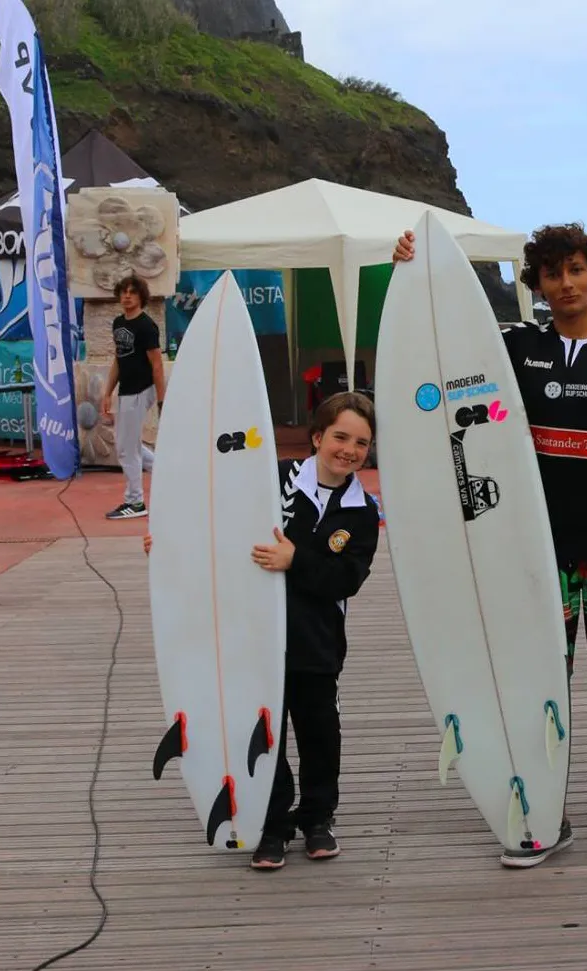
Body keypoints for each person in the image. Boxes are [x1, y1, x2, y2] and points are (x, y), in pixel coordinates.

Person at [394, 223, 587, 868]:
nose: (566, 283)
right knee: (537, 681)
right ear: (538, 284)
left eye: (577, 270)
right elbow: (441, 355)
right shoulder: (515, 345)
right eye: (553, 274)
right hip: (531, 551)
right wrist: (412, 270)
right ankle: (542, 811)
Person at [143, 393, 381, 871]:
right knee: (263, 735)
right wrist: (172, 544)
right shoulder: (274, 478)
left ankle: (317, 819)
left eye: (361, 443)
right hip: (256, 639)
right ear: (317, 436)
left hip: (316, 644)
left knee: (320, 735)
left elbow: (346, 579)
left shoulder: (362, 512)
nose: (349, 450)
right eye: (340, 437)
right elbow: (222, 523)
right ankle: (272, 823)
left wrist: (296, 560)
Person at [102, 276, 165, 519]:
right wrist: (107, 392)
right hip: (125, 391)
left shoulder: (146, 326)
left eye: (132, 292)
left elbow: (157, 364)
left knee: (126, 449)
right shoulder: (118, 323)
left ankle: (135, 502)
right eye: (124, 292)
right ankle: (167, 471)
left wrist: (161, 400)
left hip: (141, 390)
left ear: (141, 296)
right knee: (128, 444)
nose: (127, 296)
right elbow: (119, 359)